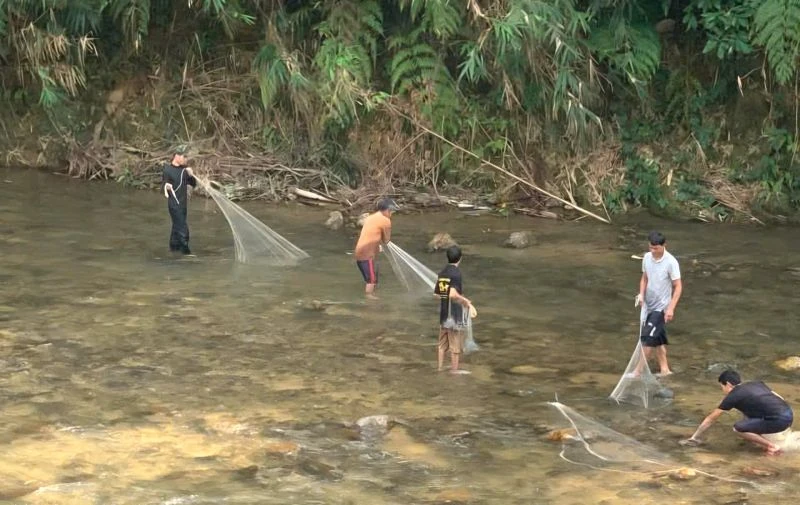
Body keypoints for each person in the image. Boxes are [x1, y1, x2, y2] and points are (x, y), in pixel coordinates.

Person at [682, 370, 793, 456]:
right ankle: (766, 439)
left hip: (779, 421)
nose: (723, 390)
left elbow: (710, 419)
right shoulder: (757, 384)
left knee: (738, 428)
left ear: (728, 384)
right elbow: (778, 397)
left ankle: (772, 446)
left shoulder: (733, 396)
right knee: (748, 417)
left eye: (722, 387)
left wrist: (694, 437)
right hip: (788, 414)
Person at [636, 230, 682, 376]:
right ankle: (665, 369)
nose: (653, 251)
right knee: (658, 339)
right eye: (650, 247)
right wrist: (641, 295)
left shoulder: (671, 262)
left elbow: (678, 286)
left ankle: (637, 371)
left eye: (656, 248)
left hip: (661, 307)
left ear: (664, 246)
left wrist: (671, 309)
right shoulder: (647, 258)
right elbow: (644, 278)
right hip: (648, 305)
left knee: (648, 338)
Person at [433, 245, 474, 374]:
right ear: (460, 258)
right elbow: (453, 294)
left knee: (442, 345)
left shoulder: (442, 272)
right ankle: (454, 371)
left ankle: (439, 368)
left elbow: (437, 294)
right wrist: (467, 302)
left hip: (444, 314)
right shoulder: (456, 274)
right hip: (454, 316)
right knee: (455, 347)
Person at [354, 198, 398, 297]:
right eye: (391, 212)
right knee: (371, 281)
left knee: (373, 278)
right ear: (387, 210)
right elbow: (386, 240)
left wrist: (377, 246)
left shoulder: (371, 217)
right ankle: (369, 301)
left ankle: (372, 294)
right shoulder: (386, 221)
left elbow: (372, 235)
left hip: (359, 252)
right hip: (367, 255)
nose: (391, 214)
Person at [161, 146, 197, 255]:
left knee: (176, 228)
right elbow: (164, 186)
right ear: (176, 156)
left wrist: (191, 175)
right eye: (183, 156)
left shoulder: (184, 170)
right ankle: (187, 255)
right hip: (174, 205)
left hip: (183, 205)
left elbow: (193, 184)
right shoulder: (168, 170)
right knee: (183, 231)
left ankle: (173, 250)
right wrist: (167, 187)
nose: (185, 159)